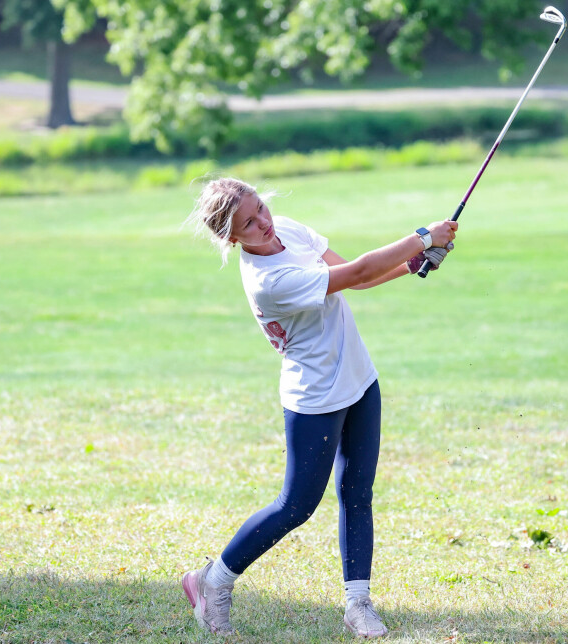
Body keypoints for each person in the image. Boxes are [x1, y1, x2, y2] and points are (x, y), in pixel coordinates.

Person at [181, 177, 458, 638]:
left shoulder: (286, 228)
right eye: (249, 223)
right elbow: (355, 274)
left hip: (359, 378)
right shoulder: (270, 282)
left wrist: (413, 263)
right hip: (315, 398)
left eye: (261, 209)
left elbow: (357, 274)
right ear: (232, 238)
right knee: (297, 505)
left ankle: (358, 604)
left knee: (358, 493)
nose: (264, 223)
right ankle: (214, 581)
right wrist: (423, 237)